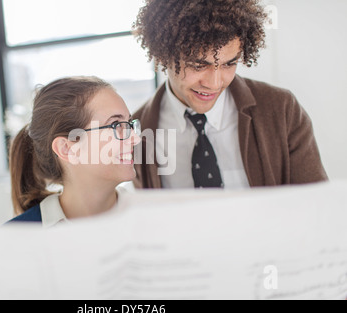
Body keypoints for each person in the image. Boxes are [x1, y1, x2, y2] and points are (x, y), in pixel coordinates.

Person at [132, 0, 328, 189]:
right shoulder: (138, 130)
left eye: (229, 64)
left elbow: (315, 206)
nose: (215, 83)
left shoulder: (282, 109)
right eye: (198, 65)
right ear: (163, 56)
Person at [6, 76, 141, 226]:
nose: (135, 138)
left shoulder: (156, 218)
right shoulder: (14, 238)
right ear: (66, 149)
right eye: (115, 125)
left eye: (128, 124)